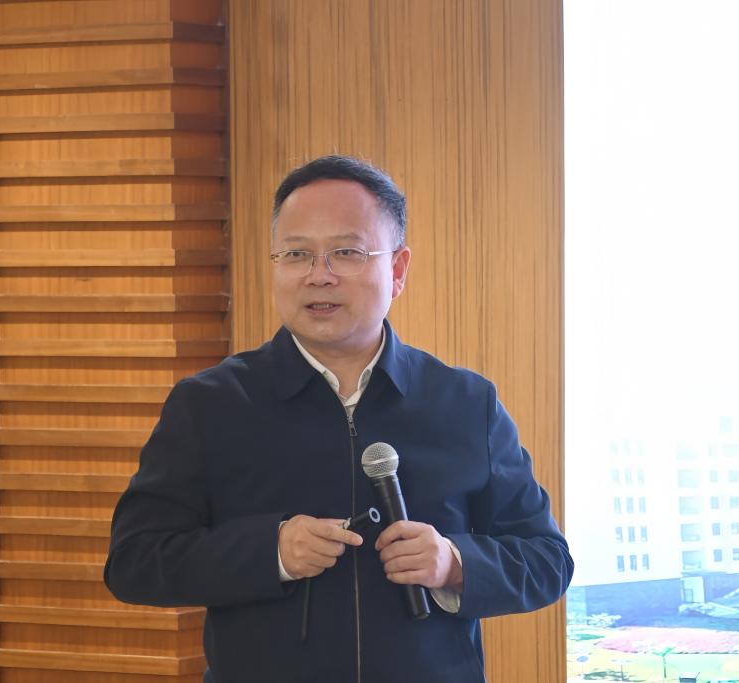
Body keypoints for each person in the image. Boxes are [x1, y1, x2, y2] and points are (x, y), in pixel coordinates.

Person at [104, 155, 573, 682]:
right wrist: (269, 552)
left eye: (346, 253)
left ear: (397, 270)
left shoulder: (466, 403)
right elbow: (134, 561)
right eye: (296, 254)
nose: (318, 276)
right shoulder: (210, 404)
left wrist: (453, 563)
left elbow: (546, 561)